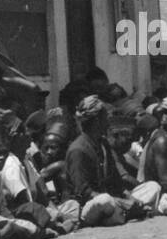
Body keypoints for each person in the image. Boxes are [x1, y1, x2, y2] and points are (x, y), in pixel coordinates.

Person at [64, 95, 156, 225]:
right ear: (97, 120)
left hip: (113, 200)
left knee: (153, 187)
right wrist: (122, 202)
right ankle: (123, 213)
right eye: (105, 118)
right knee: (105, 201)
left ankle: (124, 213)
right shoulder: (78, 150)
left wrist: (132, 198)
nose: (108, 122)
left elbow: (117, 181)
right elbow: (84, 192)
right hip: (86, 206)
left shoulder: (103, 143)